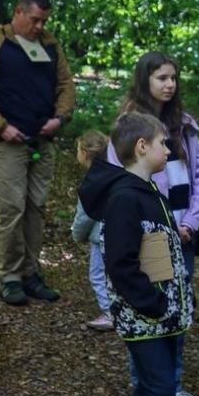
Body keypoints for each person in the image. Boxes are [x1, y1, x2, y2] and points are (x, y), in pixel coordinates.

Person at [79, 111, 198, 396]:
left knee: (151, 388)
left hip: (160, 316)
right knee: (163, 394)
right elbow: (121, 264)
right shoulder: (127, 198)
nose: (169, 148)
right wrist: (153, 304)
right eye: (163, 142)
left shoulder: (149, 192)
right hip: (144, 318)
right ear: (141, 147)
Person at [110, 52, 199, 396]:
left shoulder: (184, 126)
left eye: (173, 78)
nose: (169, 84)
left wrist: (192, 223)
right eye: (162, 78)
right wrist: (161, 228)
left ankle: (172, 386)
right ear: (145, 81)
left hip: (184, 232)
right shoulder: (129, 126)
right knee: (154, 307)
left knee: (180, 306)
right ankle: (151, 387)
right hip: (153, 236)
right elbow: (120, 180)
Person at [0, 0, 77, 307]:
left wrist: (60, 117)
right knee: (12, 209)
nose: (40, 26)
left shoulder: (50, 45)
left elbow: (66, 85)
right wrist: (0, 126)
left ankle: (31, 273)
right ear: (18, 12)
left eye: (44, 20)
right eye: (35, 19)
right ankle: (10, 277)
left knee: (36, 208)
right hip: (9, 143)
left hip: (43, 140)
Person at [72, 130, 116, 332]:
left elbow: (85, 216)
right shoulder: (116, 174)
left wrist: (77, 235)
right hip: (121, 233)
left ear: (84, 152)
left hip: (101, 237)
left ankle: (110, 313)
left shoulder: (91, 182)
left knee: (98, 274)